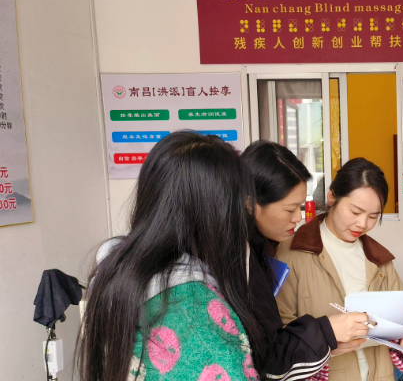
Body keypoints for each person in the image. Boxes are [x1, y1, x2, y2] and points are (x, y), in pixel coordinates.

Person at [77, 133, 352, 381]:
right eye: (236, 203)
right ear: (210, 210)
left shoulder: (117, 271)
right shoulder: (193, 308)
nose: (241, 215)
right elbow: (263, 361)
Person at [276, 158, 403, 381]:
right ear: (332, 197)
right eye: (355, 212)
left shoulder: (378, 258)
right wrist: (325, 340)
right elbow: (279, 332)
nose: (363, 224)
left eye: (373, 216)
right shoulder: (293, 253)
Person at [241, 141, 373, 380]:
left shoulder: (263, 248)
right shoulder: (244, 259)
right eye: (289, 209)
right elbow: (266, 357)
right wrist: (326, 332)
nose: (298, 217)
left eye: (373, 215)